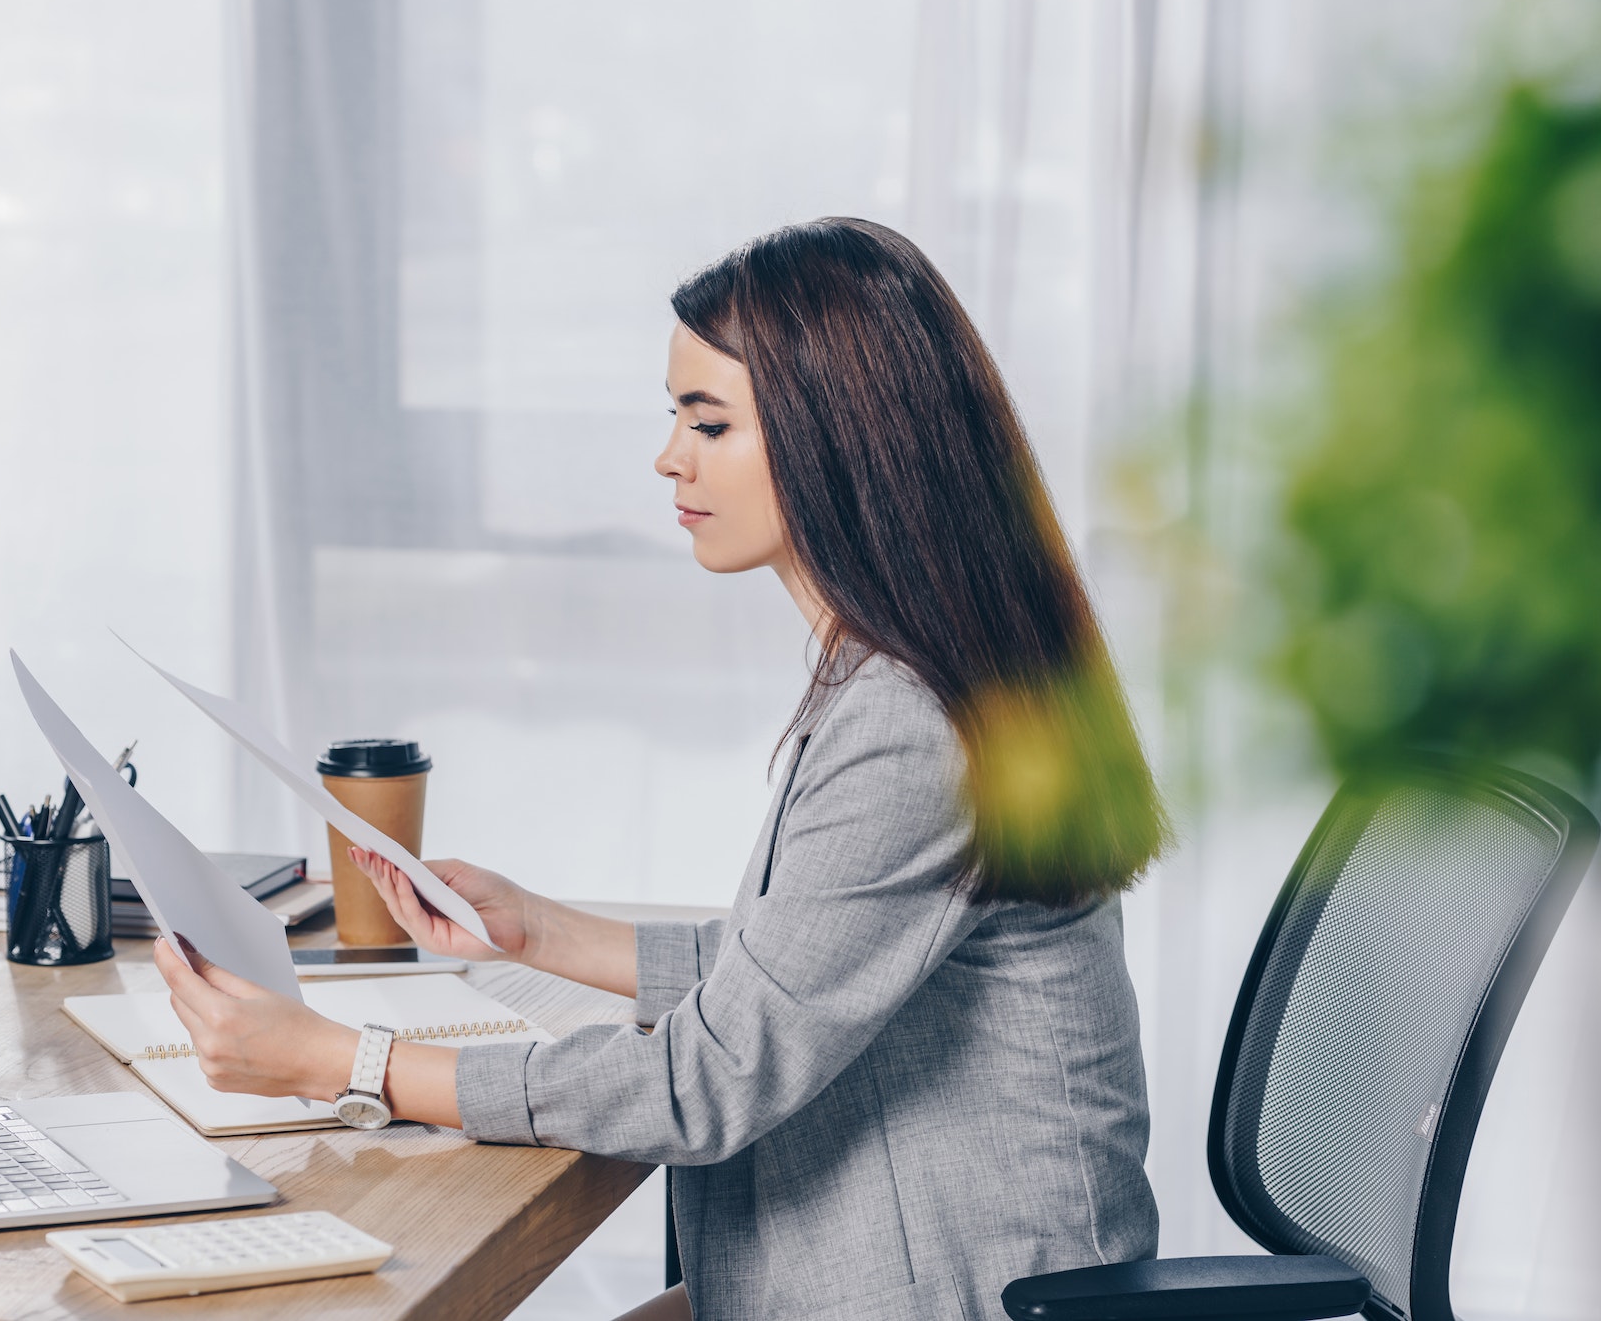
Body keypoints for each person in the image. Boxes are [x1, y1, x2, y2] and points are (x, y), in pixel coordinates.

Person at [154, 217, 1168, 1321]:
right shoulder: (922, 672)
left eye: (709, 421)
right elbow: (800, 970)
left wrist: (346, 1064)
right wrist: (542, 933)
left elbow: (705, 1082)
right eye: (673, 416)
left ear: (841, 436)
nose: (668, 456)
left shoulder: (910, 725)